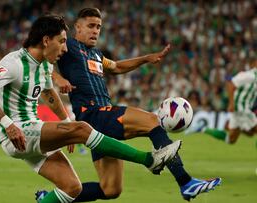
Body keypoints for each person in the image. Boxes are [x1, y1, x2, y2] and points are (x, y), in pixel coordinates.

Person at [0, 14, 182, 203]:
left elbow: (48, 93)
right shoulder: (14, 63)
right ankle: (150, 160)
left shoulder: (44, 65)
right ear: (46, 40)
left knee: (72, 188)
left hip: (32, 130)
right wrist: (8, 125)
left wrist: (65, 122)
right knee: (82, 129)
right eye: (62, 41)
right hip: (16, 131)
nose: (65, 48)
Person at [41, 8, 221, 202]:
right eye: (91, 26)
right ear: (78, 27)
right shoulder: (67, 46)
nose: (95, 31)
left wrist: (145, 59)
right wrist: (58, 78)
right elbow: (41, 60)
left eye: (98, 27)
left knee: (111, 189)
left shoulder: (96, 55)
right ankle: (186, 182)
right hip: (94, 114)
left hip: (99, 123)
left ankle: (50, 198)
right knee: (153, 120)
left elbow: (117, 67)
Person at [186, 59, 257, 144]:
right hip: (241, 109)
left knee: (230, 140)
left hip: (242, 109)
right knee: (253, 131)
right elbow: (230, 83)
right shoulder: (249, 75)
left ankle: (202, 128)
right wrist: (231, 104)